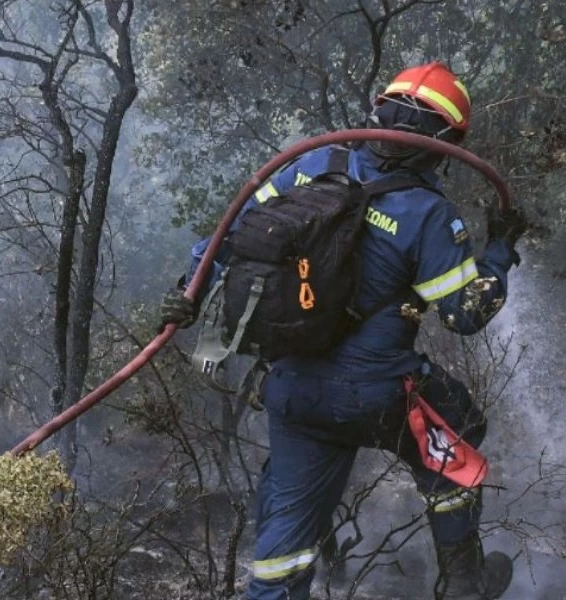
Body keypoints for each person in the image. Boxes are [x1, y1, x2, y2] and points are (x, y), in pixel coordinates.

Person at [160, 62, 529, 600]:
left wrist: (187, 292)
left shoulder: (309, 167)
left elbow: (226, 239)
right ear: (445, 144)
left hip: (294, 391)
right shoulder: (427, 212)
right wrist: (499, 251)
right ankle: (464, 584)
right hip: (379, 395)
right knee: (457, 426)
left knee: (284, 541)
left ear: (380, 114)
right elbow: (465, 315)